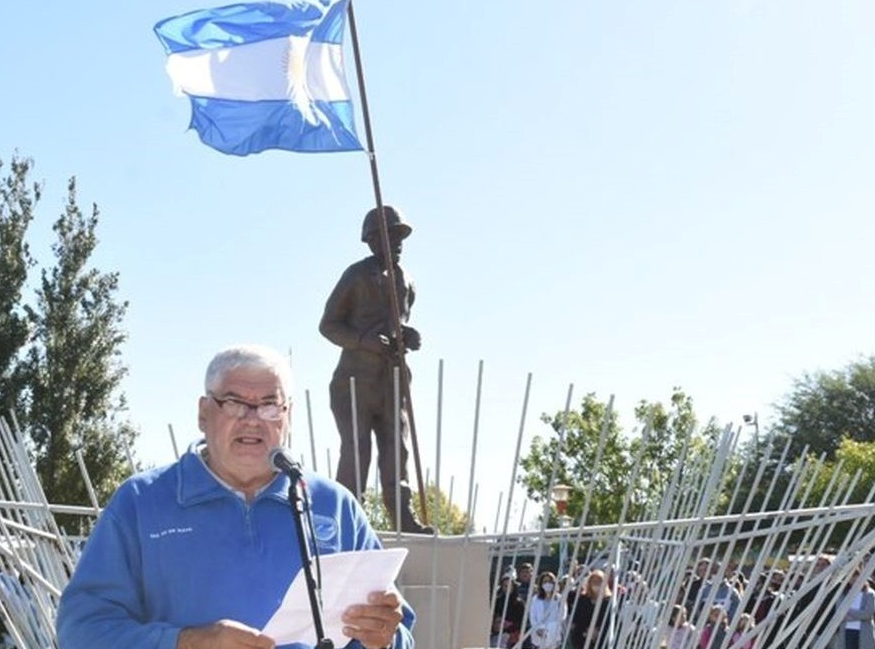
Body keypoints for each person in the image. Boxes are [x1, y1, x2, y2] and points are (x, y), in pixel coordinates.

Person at [56, 345, 415, 649]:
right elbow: (81, 630)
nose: (253, 419)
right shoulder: (141, 501)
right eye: (234, 403)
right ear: (203, 413)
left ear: (287, 415)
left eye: (270, 405)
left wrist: (385, 636)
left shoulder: (334, 506)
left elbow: (401, 633)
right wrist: (185, 642)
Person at [320, 205, 432, 534]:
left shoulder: (407, 280)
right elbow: (328, 325)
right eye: (390, 236)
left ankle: (403, 516)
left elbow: (397, 325)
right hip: (354, 380)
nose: (397, 242)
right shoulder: (356, 275)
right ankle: (346, 519)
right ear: (371, 241)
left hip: (392, 380)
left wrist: (406, 336)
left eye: (400, 236)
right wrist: (364, 340)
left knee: (398, 449)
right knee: (357, 452)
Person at [572, 570, 613, 649]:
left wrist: (598, 632)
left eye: (599, 582)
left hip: (603, 640)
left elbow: (610, 621)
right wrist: (587, 631)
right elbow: (577, 618)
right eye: (594, 582)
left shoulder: (608, 601)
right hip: (583, 638)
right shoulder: (582, 599)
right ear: (589, 583)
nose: (597, 584)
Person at [526, 572, 567, 649]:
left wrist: (552, 628)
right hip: (539, 635)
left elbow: (563, 615)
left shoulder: (559, 598)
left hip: (554, 634)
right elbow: (532, 616)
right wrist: (538, 629)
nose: (547, 584)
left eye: (550, 582)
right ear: (541, 584)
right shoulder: (535, 599)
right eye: (545, 582)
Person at [840, 572, 875, 649]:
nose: (853, 579)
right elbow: (840, 613)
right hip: (847, 631)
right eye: (851, 577)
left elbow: (868, 613)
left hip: (864, 632)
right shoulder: (843, 594)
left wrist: (848, 610)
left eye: (855, 576)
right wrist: (860, 617)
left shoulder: (870, 593)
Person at [491, 574, 524, 649]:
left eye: (509, 585)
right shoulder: (498, 601)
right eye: (505, 586)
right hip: (497, 633)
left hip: (512, 635)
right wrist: (496, 623)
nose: (507, 588)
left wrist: (508, 625)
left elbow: (521, 621)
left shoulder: (519, 602)